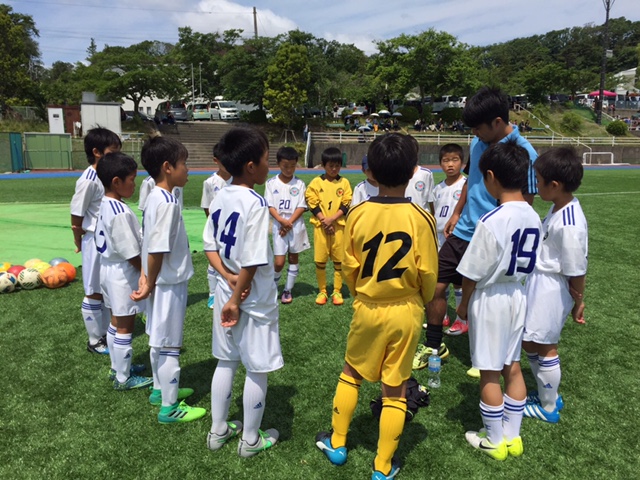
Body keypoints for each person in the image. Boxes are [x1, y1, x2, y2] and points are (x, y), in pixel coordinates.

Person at [315, 133, 438, 480]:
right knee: (395, 387)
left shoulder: (357, 214)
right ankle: (382, 467)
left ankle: (337, 443)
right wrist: (420, 300)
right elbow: (429, 273)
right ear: (414, 171)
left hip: (368, 305)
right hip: (407, 309)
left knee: (351, 372)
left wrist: (362, 294)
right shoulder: (421, 218)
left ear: (370, 170)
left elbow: (349, 265)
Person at [413, 86, 538, 374]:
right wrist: (457, 211)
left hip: (491, 239)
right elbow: (472, 180)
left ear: (497, 122)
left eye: (479, 128)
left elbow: (525, 204)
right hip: (462, 232)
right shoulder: (478, 142)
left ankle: (486, 359)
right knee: (435, 287)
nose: (475, 134)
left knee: (483, 297)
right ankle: (434, 346)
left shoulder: (525, 153)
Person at [456, 140, 542, 460]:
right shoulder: (533, 216)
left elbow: (472, 273)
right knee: (513, 366)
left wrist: (464, 304)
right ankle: (512, 436)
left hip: (491, 297)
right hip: (518, 293)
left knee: (490, 371)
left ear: (490, 177)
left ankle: (494, 441)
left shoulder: (492, 220)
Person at [203, 126, 283, 457]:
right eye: (266, 159)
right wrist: (238, 294)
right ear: (251, 165)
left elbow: (209, 245)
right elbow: (252, 257)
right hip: (250, 298)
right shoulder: (255, 202)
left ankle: (217, 431)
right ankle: (250, 440)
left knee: (226, 360)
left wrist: (227, 278)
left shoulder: (220, 194)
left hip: (225, 290)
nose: (270, 166)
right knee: (257, 366)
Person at [131, 134, 204, 424]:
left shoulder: (154, 198)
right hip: (168, 283)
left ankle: (160, 391)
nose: (188, 169)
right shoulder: (167, 203)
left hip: (159, 280)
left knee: (158, 338)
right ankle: (170, 408)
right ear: (167, 167)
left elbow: (150, 243)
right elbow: (158, 248)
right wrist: (149, 281)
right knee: (170, 343)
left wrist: (147, 278)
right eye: (184, 164)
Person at [522, 147, 587, 423]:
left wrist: (578, 301)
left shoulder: (570, 222)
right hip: (539, 282)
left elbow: (576, 268)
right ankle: (546, 391)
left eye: (538, 181)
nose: (536, 186)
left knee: (546, 345)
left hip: (550, 287)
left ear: (555, 185)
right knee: (529, 341)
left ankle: (549, 406)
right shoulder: (557, 205)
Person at [95, 152, 151, 390]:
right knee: (125, 325)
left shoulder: (106, 204)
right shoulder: (119, 211)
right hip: (121, 273)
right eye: (131, 179)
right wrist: (144, 274)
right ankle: (123, 378)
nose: (135, 184)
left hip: (107, 270)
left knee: (116, 321)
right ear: (116, 182)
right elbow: (130, 252)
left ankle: (117, 367)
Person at [70, 127, 121, 355]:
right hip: (93, 239)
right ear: (96, 152)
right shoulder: (89, 179)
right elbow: (76, 214)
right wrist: (78, 240)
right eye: (112, 151)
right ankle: (94, 340)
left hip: (107, 240)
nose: (117, 155)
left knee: (107, 287)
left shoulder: (106, 175)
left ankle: (107, 332)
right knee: (93, 289)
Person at [305, 147, 353, 306]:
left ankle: (337, 291)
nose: (334, 169)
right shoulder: (316, 182)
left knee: (339, 261)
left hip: (339, 227)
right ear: (323, 165)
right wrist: (324, 220)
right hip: (321, 227)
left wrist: (331, 219)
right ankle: (322, 291)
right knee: (320, 260)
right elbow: (312, 201)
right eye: (330, 166)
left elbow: (346, 203)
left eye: (337, 166)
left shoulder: (344, 183)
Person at [264, 146, 310, 304]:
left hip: (295, 225)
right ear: (278, 164)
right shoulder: (271, 183)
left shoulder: (300, 184)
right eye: (285, 166)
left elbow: (301, 206)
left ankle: (287, 290)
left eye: (292, 166)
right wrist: (282, 222)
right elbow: (269, 206)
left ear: (296, 164)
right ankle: (273, 288)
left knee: (293, 256)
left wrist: (289, 223)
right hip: (279, 224)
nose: (289, 169)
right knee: (279, 262)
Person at [432, 144, 467, 333]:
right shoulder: (438, 188)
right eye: (446, 161)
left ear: (462, 162)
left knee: (459, 281)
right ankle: (443, 316)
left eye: (454, 160)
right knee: (441, 279)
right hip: (440, 239)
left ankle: (462, 318)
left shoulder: (466, 185)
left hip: (458, 240)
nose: (450, 165)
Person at [201, 144, 232, 309]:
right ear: (216, 161)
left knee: (230, 257)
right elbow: (207, 206)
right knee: (213, 260)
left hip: (232, 227)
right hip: (216, 227)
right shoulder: (210, 182)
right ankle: (212, 293)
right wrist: (213, 225)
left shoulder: (237, 179)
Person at [404, 136, 435, 215]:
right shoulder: (395, 174)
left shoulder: (426, 174)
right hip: (402, 217)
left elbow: (431, 200)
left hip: (421, 217)